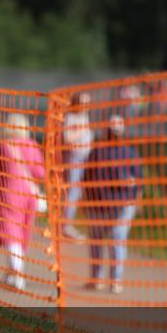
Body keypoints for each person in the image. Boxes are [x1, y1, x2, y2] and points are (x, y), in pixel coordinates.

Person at [82, 114, 143, 294]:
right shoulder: (98, 152)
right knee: (102, 242)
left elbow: (138, 180)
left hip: (120, 205)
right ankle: (100, 279)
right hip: (101, 204)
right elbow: (87, 179)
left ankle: (112, 280)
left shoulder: (128, 153)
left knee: (114, 241)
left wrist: (136, 200)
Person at [0, 114, 45, 291]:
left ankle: (17, 275)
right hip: (27, 197)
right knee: (20, 235)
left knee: (11, 237)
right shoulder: (32, 145)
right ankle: (13, 273)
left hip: (7, 196)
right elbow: (40, 172)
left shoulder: (4, 146)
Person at [62, 91, 93, 240]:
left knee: (77, 191)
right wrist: (81, 131)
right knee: (73, 191)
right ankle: (65, 225)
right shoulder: (72, 118)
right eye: (84, 103)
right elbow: (68, 138)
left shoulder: (84, 117)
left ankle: (67, 223)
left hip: (84, 158)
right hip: (75, 157)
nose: (86, 106)